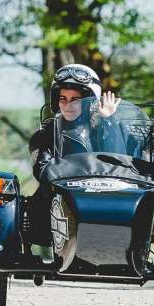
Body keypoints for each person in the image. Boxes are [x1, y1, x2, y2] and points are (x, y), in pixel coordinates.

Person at [24, 64, 119, 243]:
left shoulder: (102, 127)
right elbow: (42, 169)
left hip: (101, 196)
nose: (68, 105)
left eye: (75, 99)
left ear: (90, 100)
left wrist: (109, 121)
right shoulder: (50, 130)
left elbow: (119, 160)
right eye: (63, 98)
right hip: (60, 198)